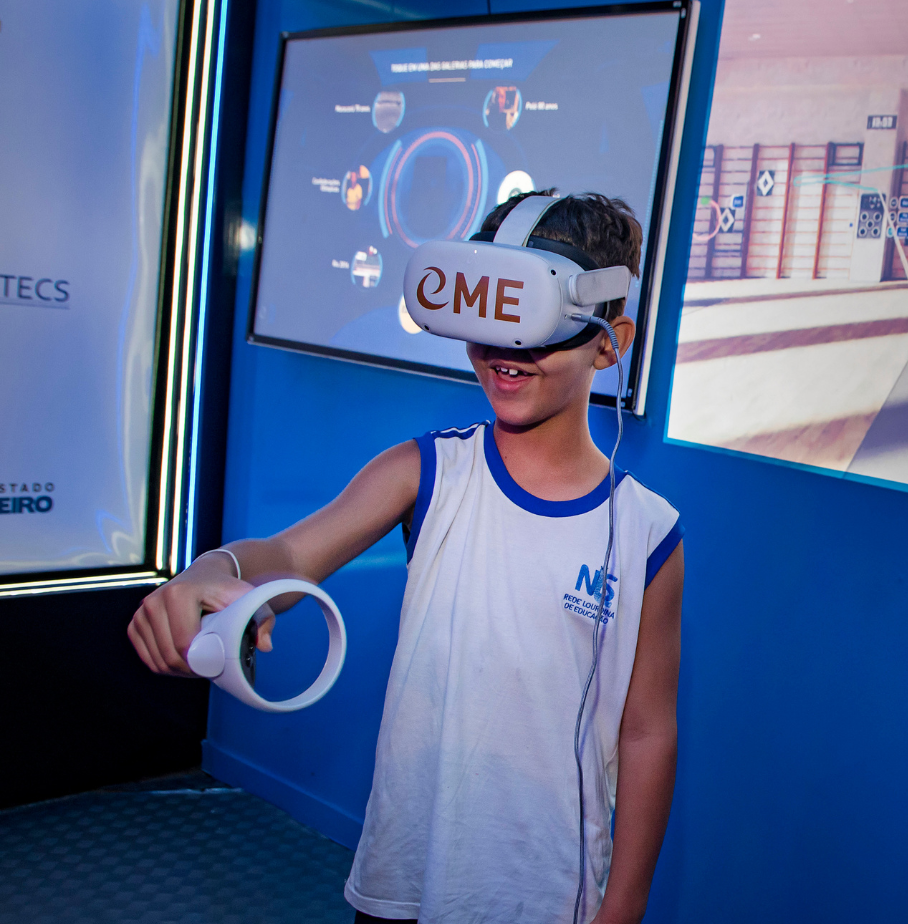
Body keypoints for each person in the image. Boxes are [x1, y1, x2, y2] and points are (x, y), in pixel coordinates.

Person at [127, 191, 683, 924]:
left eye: (537, 332)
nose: (507, 355)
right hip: (404, 876)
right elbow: (290, 553)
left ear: (608, 341)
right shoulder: (424, 473)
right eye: (489, 327)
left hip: (551, 894)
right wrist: (215, 572)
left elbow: (647, 731)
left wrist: (625, 905)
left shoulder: (646, 532)